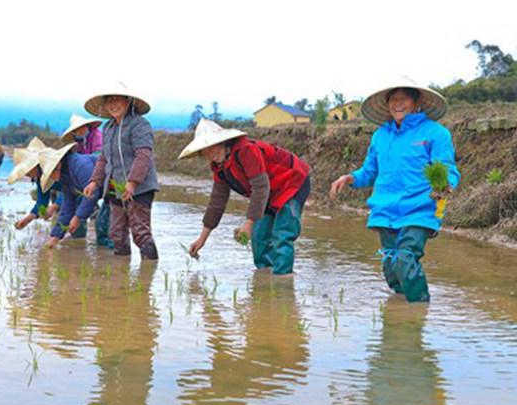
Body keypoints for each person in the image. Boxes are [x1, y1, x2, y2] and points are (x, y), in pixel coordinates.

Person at [330, 79, 460, 303]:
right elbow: (369, 172)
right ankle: (400, 311)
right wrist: (350, 178)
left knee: (406, 258)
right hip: (385, 209)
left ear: (417, 102)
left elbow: (448, 168)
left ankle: (419, 309)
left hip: (421, 208)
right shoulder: (380, 136)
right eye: (393, 99)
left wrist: (444, 185)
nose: (398, 104)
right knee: (391, 264)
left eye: (404, 99)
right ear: (387, 103)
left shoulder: (435, 133)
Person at [180, 119, 311, 275]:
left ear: (221, 142)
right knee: (259, 238)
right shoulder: (219, 167)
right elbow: (217, 202)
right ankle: (264, 282)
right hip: (268, 192)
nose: (209, 154)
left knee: (282, 235)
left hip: (292, 182)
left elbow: (260, 187)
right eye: (204, 152)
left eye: (211, 148)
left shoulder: (246, 151)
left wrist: (248, 224)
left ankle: (283, 284)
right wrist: (202, 239)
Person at [82, 82, 159, 260]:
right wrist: (94, 181)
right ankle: (121, 276)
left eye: (117, 99)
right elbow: (103, 158)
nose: (113, 104)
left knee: (140, 232)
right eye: (109, 100)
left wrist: (132, 183)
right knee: (116, 233)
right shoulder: (108, 128)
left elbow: (143, 155)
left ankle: (148, 274)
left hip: (140, 188)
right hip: (114, 187)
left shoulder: (139, 124)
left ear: (128, 101)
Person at [61, 112, 112, 249]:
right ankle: (78, 235)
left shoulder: (97, 136)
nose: (80, 131)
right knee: (78, 201)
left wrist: (85, 164)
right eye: (77, 130)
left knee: (103, 221)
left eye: (82, 128)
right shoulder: (78, 143)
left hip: (103, 175)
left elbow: (100, 157)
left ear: (87, 126)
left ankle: (108, 250)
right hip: (86, 176)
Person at [39, 144, 102, 248]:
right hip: (104, 193)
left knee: (104, 226)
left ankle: (114, 259)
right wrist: (55, 237)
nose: (53, 179)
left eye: (51, 175)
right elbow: (67, 207)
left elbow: (92, 194)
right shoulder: (65, 176)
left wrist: (77, 217)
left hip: (116, 188)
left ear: (57, 165)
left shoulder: (79, 164)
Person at [8, 137, 61, 229]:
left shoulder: (54, 168)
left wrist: (53, 207)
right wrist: (26, 220)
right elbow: (42, 201)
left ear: (34, 166)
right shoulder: (40, 177)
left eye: (26, 171)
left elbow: (70, 189)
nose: (26, 175)